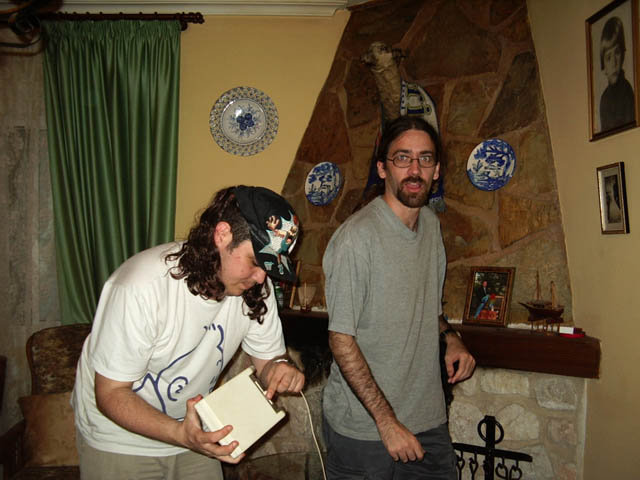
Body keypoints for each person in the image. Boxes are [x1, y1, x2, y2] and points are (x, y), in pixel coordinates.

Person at [72, 186, 305, 480]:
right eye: (256, 262)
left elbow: (268, 360)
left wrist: (279, 369)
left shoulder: (257, 287)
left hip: (194, 432)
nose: (262, 277)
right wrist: (180, 434)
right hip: (119, 438)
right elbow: (110, 394)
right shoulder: (140, 287)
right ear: (222, 235)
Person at [322, 115, 476, 480]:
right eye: (402, 158)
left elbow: (427, 309)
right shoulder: (355, 239)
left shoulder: (431, 227)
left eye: (425, 159)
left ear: (436, 170)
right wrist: (387, 423)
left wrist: (450, 338)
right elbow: (341, 338)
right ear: (382, 168)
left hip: (428, 421)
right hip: (365, 431)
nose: (414, 169)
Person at [599, 16, 635, 132]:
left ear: (623, 55)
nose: (614, 63)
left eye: (617, 53)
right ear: (603, 67)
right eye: (609, 58)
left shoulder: (627, 92)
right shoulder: (604, 99)